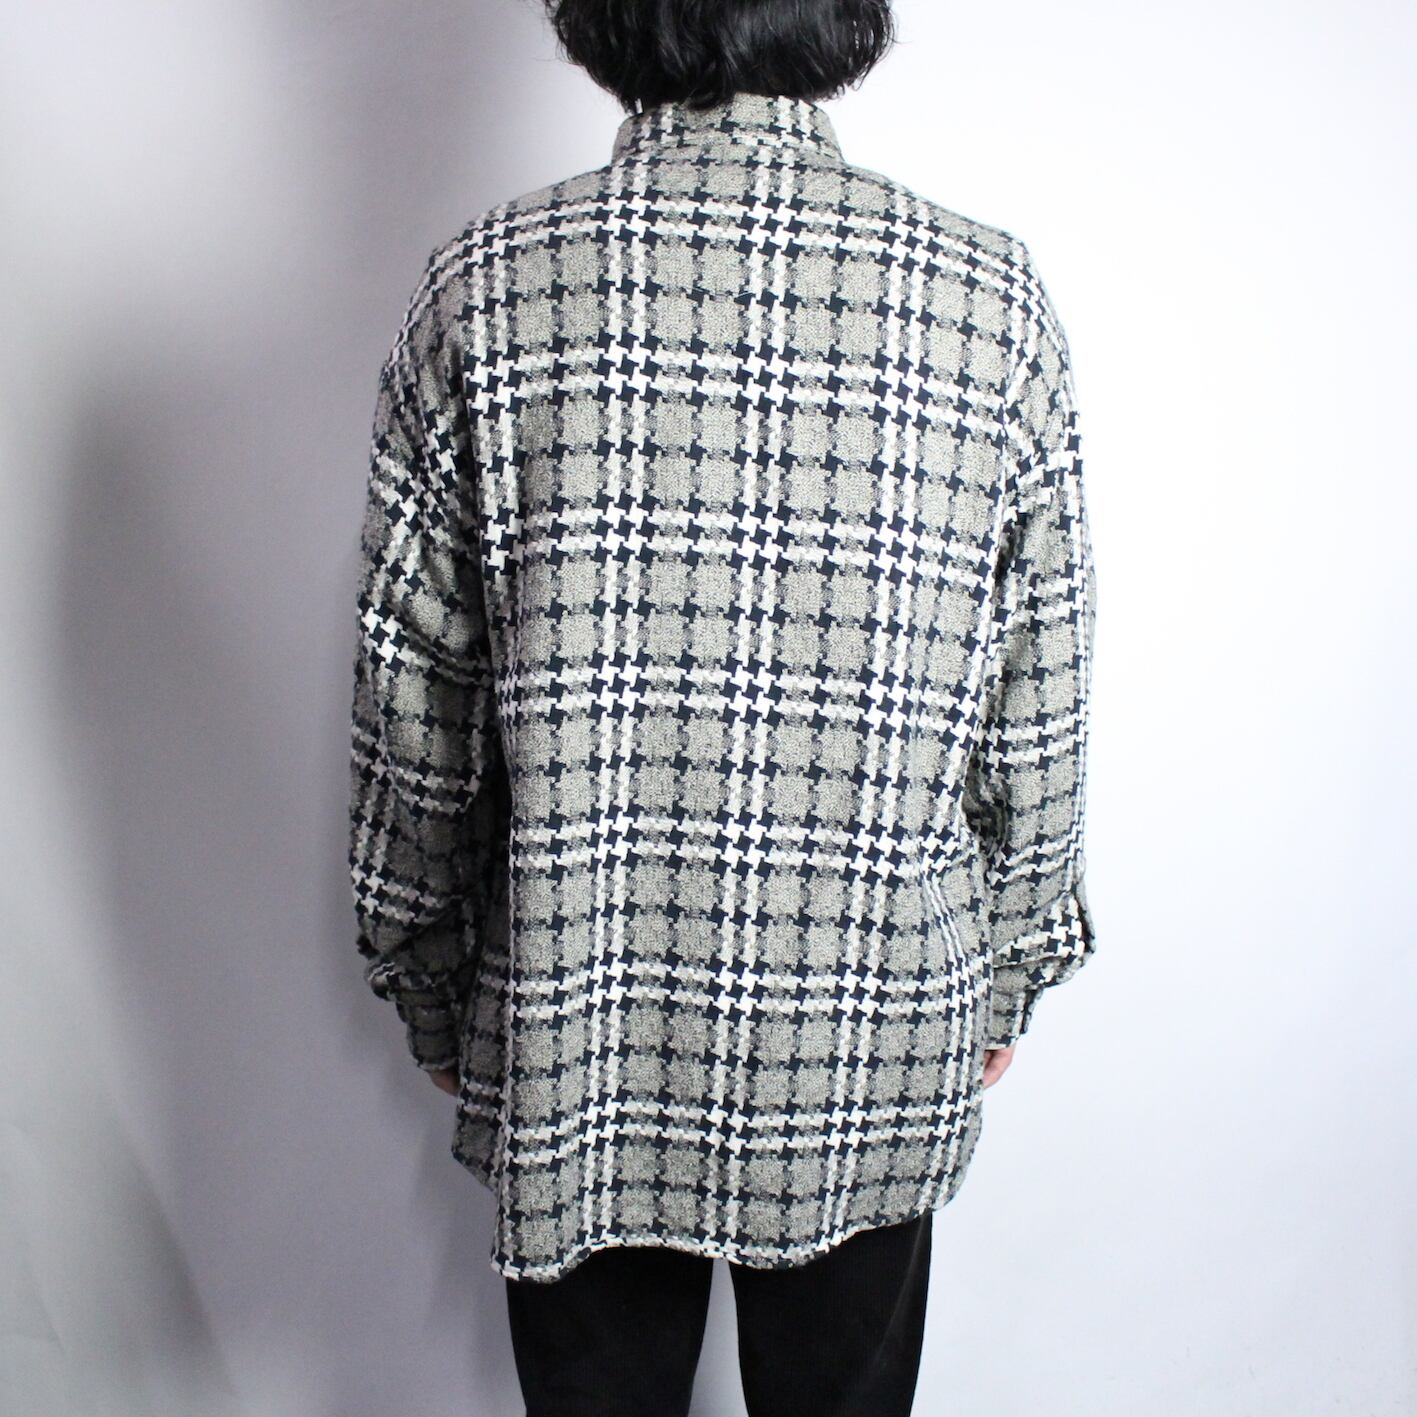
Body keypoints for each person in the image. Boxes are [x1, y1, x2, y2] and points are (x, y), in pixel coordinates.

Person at [346, 1, 1099, 1412]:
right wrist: (1008, 964)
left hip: (580, 1012)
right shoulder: (988, 302)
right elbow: (1037, 698)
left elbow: (414, 699)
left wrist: (430, 976)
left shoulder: (486, 290)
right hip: (872, 1016)